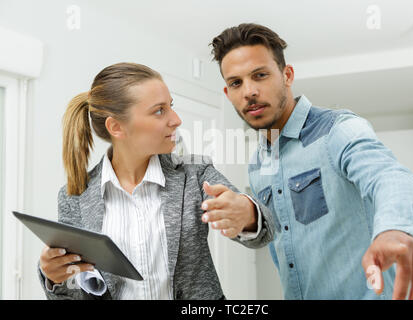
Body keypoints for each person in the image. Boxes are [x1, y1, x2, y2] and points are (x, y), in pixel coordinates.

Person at [205, 23, 413, 300]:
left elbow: (388, 176)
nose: (249, 91)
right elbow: (275, 234)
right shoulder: (258, 163)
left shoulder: (338, 130)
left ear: (287, 75)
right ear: (227, 93)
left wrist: (395, 228)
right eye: (236, 83)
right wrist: (249, 219)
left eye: (260, 75)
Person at [37, 62, 273, 300]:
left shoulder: (195, 174)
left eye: (171, 106)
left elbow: (266, 229)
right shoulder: (75, 196)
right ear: (116, 127)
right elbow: (76, 291)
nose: (176, 119)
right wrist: (55, 278)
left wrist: (247, 213)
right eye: (159, 110)